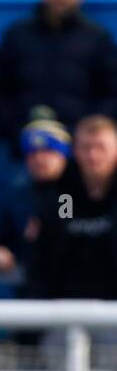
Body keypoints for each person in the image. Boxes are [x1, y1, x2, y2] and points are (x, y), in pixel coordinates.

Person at [0, 0, 117, 149]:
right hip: (25, 150)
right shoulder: (17, 35)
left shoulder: (97, 38)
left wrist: (85, 135)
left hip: (79, 152)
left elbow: (111, 95)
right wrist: (15, 132)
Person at [27, 114, 117, 300]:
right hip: (66, 307)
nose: (93, 155)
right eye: (86, 147)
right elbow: (57, 240)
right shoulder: (63, 195)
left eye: (101, 147)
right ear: (74, 151)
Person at [0, 116, 71, 277]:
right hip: (31, 289)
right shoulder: (16, 195)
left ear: (64, 155)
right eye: (32, 153)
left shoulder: (79, 192)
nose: (39, 159)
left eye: (48, 151)